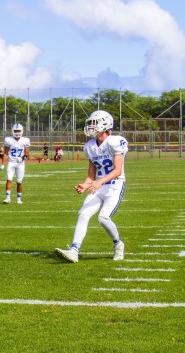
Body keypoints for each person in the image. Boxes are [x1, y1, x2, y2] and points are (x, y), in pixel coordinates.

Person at [55, 110, 128, 263]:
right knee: (83, 214)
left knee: (103, 218)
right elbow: (91, 174)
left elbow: (117, 170)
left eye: (94, 123)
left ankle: (118, 244)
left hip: (114, 185)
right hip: (98, 185)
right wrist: (85, 184)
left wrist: (99, 182)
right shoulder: (90, 146)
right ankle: (74, 251)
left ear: (105, 123)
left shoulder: (115, 141)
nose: (91, 126)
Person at [3, 123, 30, 204]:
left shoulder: (25, 140)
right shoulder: (8, 139)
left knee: (19, 182)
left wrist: (21, 158)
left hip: (20, 164)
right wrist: (2, 163)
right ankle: (8, 198)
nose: (17, 132)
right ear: (13, 131)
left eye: (18, 131)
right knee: (9, 179)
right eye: (16, 130)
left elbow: (27, 154)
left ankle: (19, 199)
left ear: (22, 131)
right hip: (11, 163)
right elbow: (6, 152)